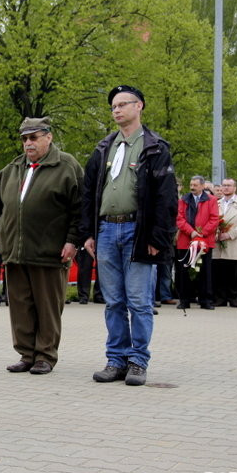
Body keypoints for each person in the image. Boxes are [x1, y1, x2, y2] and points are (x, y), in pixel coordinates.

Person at [80, 85, 177, 386]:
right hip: (107, 228)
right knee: (113, 301)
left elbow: (166, 197)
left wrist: (156, 237)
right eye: (113, 106)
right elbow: (88, 192)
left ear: (140, 106)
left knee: (139, 301)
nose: (117, 110)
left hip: (138, 230)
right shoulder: (103, 148)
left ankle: (138, 361)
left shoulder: (155, 147)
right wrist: (89, 232)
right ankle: (116, 360)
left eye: (123, 104)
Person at [0, 116, 82, 374]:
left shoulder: (66, 166)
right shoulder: (12, 169)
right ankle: (26, 354)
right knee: (20, 306)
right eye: (24, 138)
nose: (28, 143)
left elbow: (80, 209)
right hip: (15, 251)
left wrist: (73, 240)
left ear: (48, 137)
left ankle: (45, 356)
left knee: (48, 308)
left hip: (50, 252)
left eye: (34, 137)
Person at [175, 175, 219, 310]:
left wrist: (202, 233)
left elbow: (214, 219)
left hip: (204, 241)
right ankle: (184, 300)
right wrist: (191, 232)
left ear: (202, 186)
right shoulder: (183, 199)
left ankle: (205, 300)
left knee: (204, 271)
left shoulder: (211, 200)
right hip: (186, 240)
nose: (192, 187)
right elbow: (179, 218)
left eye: (195, 185)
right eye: (191, 184)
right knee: (184, 271)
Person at [212, 178, 237, 307]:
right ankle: (220, 297)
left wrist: (229, 234)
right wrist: (217, 233)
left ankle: (234, 298)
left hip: (234, 242)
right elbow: (212, 221)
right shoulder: (216, 203)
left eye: (229, 185)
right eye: (224, 185)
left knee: (234, 272)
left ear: (235, 188)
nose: (226, 188)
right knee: (219, 271)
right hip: (218, 243)